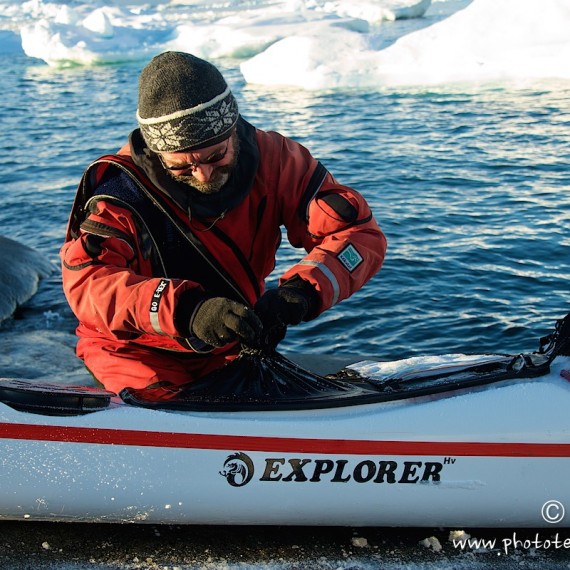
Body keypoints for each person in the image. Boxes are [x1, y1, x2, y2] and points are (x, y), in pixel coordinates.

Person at [60, 51, 387, 400]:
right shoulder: (121, 193)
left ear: (232, 130)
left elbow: (358, 236)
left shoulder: (277, 162)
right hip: (134, 350)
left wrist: (303, 293)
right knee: (174, 422)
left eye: (216, 155)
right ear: (158, 154)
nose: (203, 174)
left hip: (230, 342)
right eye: (182, 167)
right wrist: (188, 310)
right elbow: (88, 283)